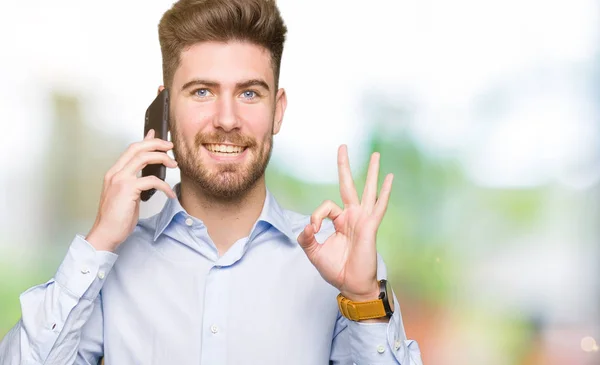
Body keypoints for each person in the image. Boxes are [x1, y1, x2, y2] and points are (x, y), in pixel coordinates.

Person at [0, 0, 423, 364]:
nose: (226, 119)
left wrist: (365, 296)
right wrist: (98, 245)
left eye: (249, 93)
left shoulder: (341, 264)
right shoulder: (109, 263)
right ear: (165, 108)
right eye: (202, 92)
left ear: (277, 110)